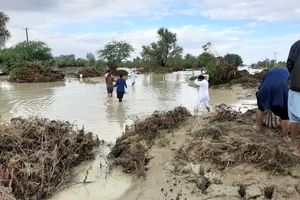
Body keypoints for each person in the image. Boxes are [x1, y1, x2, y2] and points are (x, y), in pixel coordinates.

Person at [256, 67, 290, 140]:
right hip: (281, 89)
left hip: (265, 88)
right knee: (285, 114)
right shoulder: (291, 72)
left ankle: (258, 126)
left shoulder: (270, 71)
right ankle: (285, 136)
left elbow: (261, 85)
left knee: (260, 107)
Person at [287, 40, 300, 153]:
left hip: (295, 86)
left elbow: (289, 65)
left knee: (294, 118)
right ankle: (298, 148)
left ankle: (293, 144)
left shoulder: (296, 45)